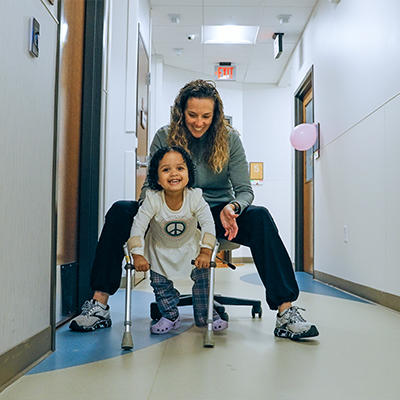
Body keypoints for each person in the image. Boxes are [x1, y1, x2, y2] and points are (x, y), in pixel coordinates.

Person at [70, 79, 319, 340]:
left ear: (216, 115)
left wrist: (233, 207)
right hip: (168, 208)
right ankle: (99, 304)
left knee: (260, 217)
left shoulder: (230, 139)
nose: (199, 122)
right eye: (192, 115)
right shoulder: (164, 136)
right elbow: (150, 186)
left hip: (214, 212)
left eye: (206, 116)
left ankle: (285, 312)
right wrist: (152, 211)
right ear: (181, 112)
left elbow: (245, 190)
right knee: (120, 211)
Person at [126, 145, 228, 334]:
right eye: (166, 169)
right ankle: (170, 315)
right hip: (159, 249)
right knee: (159, 283)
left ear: (189, 173)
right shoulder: (152, 199)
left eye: (180, 168)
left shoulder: (195, 197)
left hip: (190, 247)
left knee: (203, 277)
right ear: (157, 178)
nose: (174, 174)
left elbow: (208, 224)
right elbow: (138, 226)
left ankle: (205, 315)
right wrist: (137, 255)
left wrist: (206, 251)